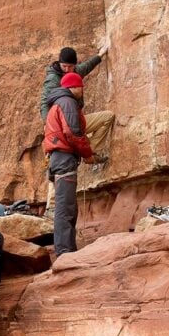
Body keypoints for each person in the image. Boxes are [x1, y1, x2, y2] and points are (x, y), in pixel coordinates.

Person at [39, 46, 115, 214]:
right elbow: (44, 103)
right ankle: (51, 209)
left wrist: (100, 55)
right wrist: (48, 125)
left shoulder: (74, 73)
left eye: (70, 67)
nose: (67, 70)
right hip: (58, 125)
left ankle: (90, 154)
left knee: (106, 117)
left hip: (75, 119)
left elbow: (85, 67)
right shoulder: (53, 79)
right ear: (59, 63)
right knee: (58, 164)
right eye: (64, 66)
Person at [42, 72, 103, 256]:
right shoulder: (67, 102)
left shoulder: (57, 103)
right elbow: (73, 133)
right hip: (64, 159)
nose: (82, 90)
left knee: (67, 207)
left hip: (57, 159)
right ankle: (65, 252)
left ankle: (66, 249)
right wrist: (88, 154)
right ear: (73, 87)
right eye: (80, 86)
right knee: (65, 208)